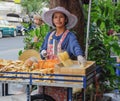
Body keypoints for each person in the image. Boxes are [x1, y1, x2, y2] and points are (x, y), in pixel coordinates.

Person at [36, 6, 86, 101]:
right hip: (48, 74)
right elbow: (42, 49)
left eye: (61, 17)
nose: (58, 20)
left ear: (66, 19)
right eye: (55, 17)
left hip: (62, 76)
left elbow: (75, 46)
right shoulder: (49, 35)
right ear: (52, 20)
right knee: (45, 97)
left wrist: (79, 55)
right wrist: (43, 52)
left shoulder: (69, 36)